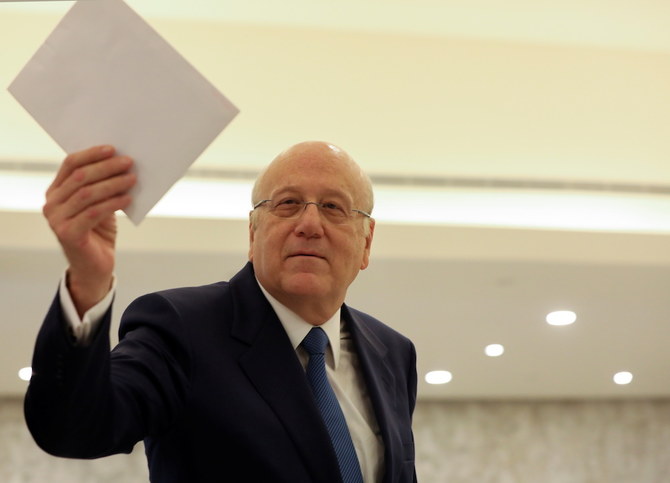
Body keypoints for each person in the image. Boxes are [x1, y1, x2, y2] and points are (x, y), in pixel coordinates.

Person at [25, 141, 417, 482]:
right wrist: (87, 280)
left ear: (367, 243)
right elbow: (74, 428)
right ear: (253, 232)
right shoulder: (181, 327)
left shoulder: (393, 353)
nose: (309, 224)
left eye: (333, 207)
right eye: (288, 203)